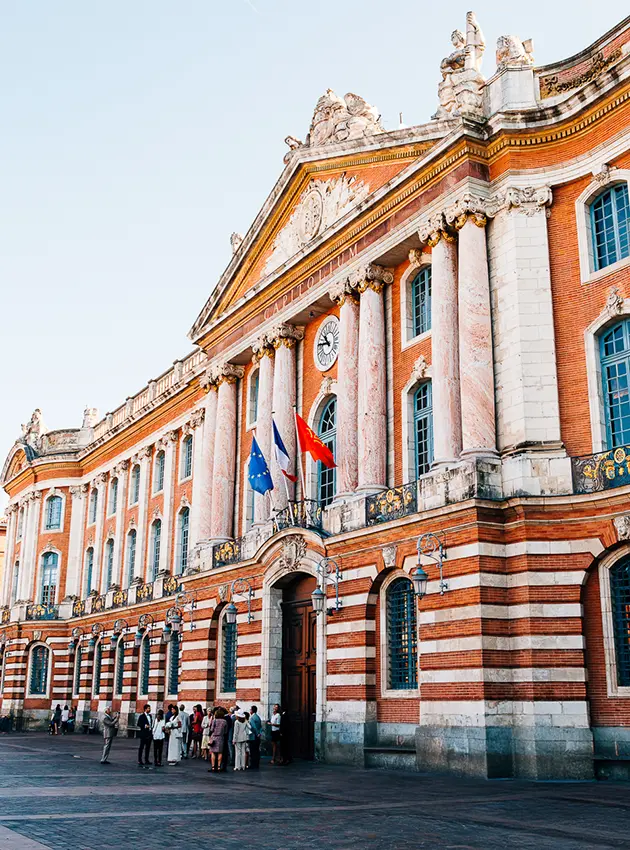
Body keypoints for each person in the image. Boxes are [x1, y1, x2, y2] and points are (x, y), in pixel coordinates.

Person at [207, 707, 228, 773]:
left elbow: (211, 729)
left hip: (214, 737)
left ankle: (213, 767)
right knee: (220, 753)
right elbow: (225, 731)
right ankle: (219, 767)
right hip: (221, 738)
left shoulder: (214, 720)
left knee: (213, 752)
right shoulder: (224, 721)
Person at [248, 705, 262, 769]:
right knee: (257, 750)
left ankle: (253, 764)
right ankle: (257, 764)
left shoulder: (252, 718)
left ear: (251, 710)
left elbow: (253, 727)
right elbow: (260, 727)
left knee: (253, 751)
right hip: (258, 736)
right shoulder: (258, 717)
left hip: (253, 736)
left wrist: (257, 734)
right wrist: (260, 733)